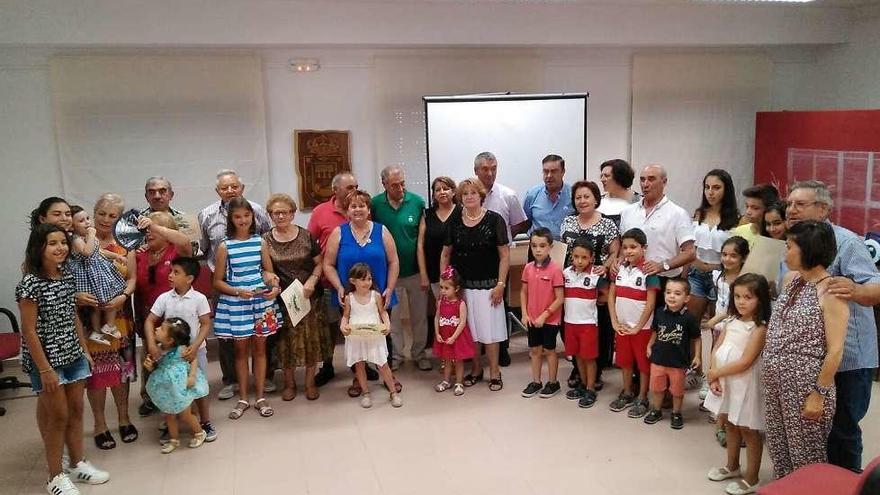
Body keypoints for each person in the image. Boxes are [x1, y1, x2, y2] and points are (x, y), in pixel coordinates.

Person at [784, 180, 879, 473]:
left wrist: (855, 289)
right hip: (806, 359)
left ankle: (847, 484)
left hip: (847, 357)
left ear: (823, 208)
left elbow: (876, 287)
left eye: (800, 204)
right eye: (789, 204)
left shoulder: (847, 243)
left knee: (842, 430)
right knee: (810, 427)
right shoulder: (792, 243)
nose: (791, 210)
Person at [17, 224, 110, 495]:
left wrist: (83, 350)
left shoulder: (66, 275)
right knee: (57, 417)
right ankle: (55, 476)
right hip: (48, 362)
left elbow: (72, 317)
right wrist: (44, 369)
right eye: (52, 243)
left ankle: (77, 463)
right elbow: (29, 331)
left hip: (73, 355)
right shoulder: (30, 283)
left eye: (63, 242)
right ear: (39, 248)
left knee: (77, 412)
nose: (60, 248)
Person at [763, 220, 849, 479]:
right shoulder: (792, 280)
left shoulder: (831, 290)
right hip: (776, 381)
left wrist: (818, 394)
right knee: (779, 448)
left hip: (805, 385)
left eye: (789, 246)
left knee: (806, 456)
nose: (785, 252)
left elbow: (835, 350)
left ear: (808, 249)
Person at [198, 169, 273, 401]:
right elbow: (203, 247)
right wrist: (237, 290)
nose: (230, 190)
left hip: (259, 294)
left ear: (241, 187)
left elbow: (267, 253)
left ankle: (263, 383)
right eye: (224, 187)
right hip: (231, 292)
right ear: (217, 190)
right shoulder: (208, 216)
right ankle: (233, 383)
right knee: (231, 343)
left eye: (234, 186)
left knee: (262, 344)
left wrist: (272, 281)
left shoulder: (258, 213)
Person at [323, 189, 401, 398]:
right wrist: (339, 286)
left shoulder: (381, 231)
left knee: (383, 335)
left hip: (379, 296)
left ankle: (388, 375)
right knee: (355, 338)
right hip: (350, 299)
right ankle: (359, 378)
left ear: (368, 210)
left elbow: (394, 261)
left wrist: (390, 287)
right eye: (352, 206)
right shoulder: (339, 233)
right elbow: (328, 264)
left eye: (361, 206)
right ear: (347, 211)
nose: (357, 209)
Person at [212, 197, 282, 420]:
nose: (242, 220)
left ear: (252, 216)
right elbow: (217, 281)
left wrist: (274, 285)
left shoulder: (259, 242)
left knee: (261, 350)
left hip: (260, 302)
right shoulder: (225, 246)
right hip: (237, 304)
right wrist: (237, 291)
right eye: (237, 217)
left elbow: (268, 273)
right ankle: (243, 397)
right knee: (240, 352)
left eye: (246, 215)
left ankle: (260, 396)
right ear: (231, 219)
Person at [80, 194, 139, 450]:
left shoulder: (127, 242)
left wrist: (124, 296)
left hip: (121, 317)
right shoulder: (82, 242)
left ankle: (124, 418)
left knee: (121, 373)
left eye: (112, 215)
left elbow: (133, 278)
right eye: (101, 213)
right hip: (91, 319)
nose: (106, 219)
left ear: (119, 218)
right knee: (97, 374)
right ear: (94, 214)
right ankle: (100, 424)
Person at [440, 178, 510, 392]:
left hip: (489, 286)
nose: (469, 196)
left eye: (473, 193)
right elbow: (445, 254)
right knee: (471, 331)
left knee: (490, 332)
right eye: (465, 194)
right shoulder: (454, 222)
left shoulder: (494, 220)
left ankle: (495, 372)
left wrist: (501, 284)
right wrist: (445, 283)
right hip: (462, 289)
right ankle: (477, 370)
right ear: (460, 198)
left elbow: (505, 256)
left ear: (481, 196)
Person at [704, 274, 771, 495]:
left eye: (748, 297)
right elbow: (717, 347)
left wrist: (717, 372)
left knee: (748, 429)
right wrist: (714, 375)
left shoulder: (759, 327)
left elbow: (745, 361)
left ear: (760, 299)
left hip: (745, 384)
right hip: (726, 381)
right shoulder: (731, 321)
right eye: (738, 296)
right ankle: (732, 466)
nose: (741, 302)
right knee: (730, 423)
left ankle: (751, 477)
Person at [142, 256, 216, 442]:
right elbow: (150, 321)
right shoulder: (164, 298)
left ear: (189, 278)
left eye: (176, 272)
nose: (170, 276)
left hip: (195, 351)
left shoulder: (199, 298)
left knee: (198, 386)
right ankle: (171, 422)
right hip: (170, 354)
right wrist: (152, 344)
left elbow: (206, 323)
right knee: (171, 387)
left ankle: (205, 421)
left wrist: (196, 345)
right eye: (171, 271)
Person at [263, 194, 328, 401]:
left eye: (285, 212)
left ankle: (309, 383)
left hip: (308, 297)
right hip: (282, 301)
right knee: (285, 344)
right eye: (276, 213)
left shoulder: (307, 236)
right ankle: (289, 384)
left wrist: (312, 280)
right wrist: (270, 279)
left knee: (311, 342)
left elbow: (319, 262)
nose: (281, 216)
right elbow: (264, 269)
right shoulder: (265, 240)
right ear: (270, 215)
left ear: (292, 213)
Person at [558, 180, 620, 389]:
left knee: (597, 327)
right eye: (578, 197)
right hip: (571, 280)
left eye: (586, 196)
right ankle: (577, 366)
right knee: (570, 325)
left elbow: (614, 252)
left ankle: (597, 370)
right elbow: (562, 251)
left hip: (596, 280)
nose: (582, 201)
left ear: (596, 198)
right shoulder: (567, 222)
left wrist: (605, 267)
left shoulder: (608, 224)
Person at [133, 211, 194, 417]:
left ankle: (180, 402)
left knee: (175, 362)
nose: (149, 233)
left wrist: (154, 225)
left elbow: (186, 241)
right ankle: (150, 398)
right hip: (149, 317)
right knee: (150, 358)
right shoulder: (139, 254)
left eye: (153, 230)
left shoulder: (176, 252)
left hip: (174, 321)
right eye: (147, 230)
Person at [371, 166, 431, 371]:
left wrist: (424, 273)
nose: (400, 188)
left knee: (419, 316)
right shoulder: (375, 205)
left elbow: (422, 239)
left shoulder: (417, 202)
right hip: (389, 274)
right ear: (385, 185)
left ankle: (419, 353)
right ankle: (396, 355)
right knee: (393, 318)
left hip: (415, 271)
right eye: (395, 185)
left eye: (402, 183)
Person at [307, 171, 360, 387]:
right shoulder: (320, 212)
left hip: (357, 284)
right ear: (335, 190)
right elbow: (310, 244)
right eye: (349, 187)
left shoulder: (361, 208)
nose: (354, 191)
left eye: (356, 186)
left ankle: (360, 367)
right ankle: (327, 366)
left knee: (356, 326)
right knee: (329, 327)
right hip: (330, 283)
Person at [474, 152, 526, 367]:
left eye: (494, 168)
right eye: (485, 169)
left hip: (499, 259)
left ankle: (502, 347)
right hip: (474, 259)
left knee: (499, 303)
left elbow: (520, 223)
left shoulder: (508, 195)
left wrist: (502, 238)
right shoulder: (467, 193)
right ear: (476, 170)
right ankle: (477, 349)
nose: (490, 173)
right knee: (475, 304)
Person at [608, 228, 660, 418]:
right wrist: (614, 322)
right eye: (625, 247)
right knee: (625, 362)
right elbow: (611, 296)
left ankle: (642, 396)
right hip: (622, 327)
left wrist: (638, 326)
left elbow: (651, 303)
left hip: (642, 329)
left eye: (633, 247)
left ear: (644, 248)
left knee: (643, 365)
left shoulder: (649, 271)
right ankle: (627, 391)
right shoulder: (618, 269)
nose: (628, 251)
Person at [340, 263, 403, 408]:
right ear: (352, 281)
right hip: (357, 336)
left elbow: (382, 312)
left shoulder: (375, 296)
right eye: (362, 279)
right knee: (360, 365)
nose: (367, 282)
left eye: (369, 279)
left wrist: (387, 324)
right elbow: (345, 316)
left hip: (374, 335)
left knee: (383, 364)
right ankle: (366, 392)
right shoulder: (350, 298)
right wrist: (343, 326)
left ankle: (393, 392)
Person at [619, 164, 696, 284]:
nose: (645, 184)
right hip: (631, 277)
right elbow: (623, 246)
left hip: (664, 278)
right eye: (642, 179)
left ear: (664, 182)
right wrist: (619, 261)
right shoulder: (627, 212)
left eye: (651, 179)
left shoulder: (678, 214)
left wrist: (663, 266)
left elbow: (690, 253)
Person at [143, 317, 209, 454]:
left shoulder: (181, 350)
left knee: (185, 414)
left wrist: (192, 376)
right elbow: (155, 367)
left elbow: (193, 360)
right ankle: (174, 439)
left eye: (161, 328)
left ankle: (199, 432)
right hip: (167, 387)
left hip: (181, 386)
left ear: (170, 340)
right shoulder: (158, 350)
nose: (156, 329)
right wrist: (150, 367)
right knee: (169, 414)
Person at [644, 278, 701, 430]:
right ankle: (656, 410)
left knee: (677, 391)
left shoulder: (689, 318)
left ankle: (676, 413)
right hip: (658, 359)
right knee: (657, 388)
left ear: (687, 298)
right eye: (668, 292)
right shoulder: (659, 312)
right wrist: (649, 345)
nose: (671, 296)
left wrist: (697, 356)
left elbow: (697, 338)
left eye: (677, 293)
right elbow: (655, 331)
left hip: (678, 363)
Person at [701, 236, 750, 411]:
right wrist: (713, 319)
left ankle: (729, 394)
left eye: (733, 256)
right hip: (720, 325)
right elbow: (718, 300)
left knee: (731, 357)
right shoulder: (717, 275)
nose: (727, 259)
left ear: (743, 258)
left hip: (736, 325)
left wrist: (715, 319)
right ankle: (712, 384)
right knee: (716, 352)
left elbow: (734, 308)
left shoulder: (746, 280)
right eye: (724, 254)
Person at [687, 169, 739, 333]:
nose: (710, 192)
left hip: (721, 276)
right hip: (696, 273)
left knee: (717, 327)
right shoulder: (699, 213)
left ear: (726, 190)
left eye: (716, 187)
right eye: (707, 187)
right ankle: (693, 359)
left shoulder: (736, 219)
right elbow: (690, 247)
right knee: (692, 325)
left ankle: (713, 358)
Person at [68, 205, 127, 346]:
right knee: (96, 303)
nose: (87, 223)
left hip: (99, 273)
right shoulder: (76, 239)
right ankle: (99, 329)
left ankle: (105, 327)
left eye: (87, 218)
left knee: (109, 298)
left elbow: (99, 251)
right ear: (72, 226)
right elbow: (87, 252)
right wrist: (92, 235)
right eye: (81, 221)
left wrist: (116, 256)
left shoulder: (87, 237)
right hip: (89, 276)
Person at [519, 228, 565, 399]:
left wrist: (545, 315)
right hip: (532, 319)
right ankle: (536, 381)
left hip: (550, 320)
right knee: (535, 350)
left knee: (550, 350)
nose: (538, 250)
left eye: (542, 246)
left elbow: (560, 298)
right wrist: (524, 313)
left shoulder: (555, 270)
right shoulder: (528, 268)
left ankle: (553, 383)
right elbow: (523, 292)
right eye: (534, 246)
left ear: (550, 247)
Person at [562, 238, 607, 408]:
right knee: (577, 356)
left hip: (588, 324)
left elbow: (606, 293)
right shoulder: (566, 273)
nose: (580, 261)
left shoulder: (595, 275)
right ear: (571, 256)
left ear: (591, 258)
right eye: (576, 257)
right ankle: (582, 383)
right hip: (570, 322)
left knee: (589, 358)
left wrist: (597, 302)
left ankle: (590, 388)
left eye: (584, 257)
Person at [431, 266, 474, 396]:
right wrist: (437, 333)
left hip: (457, 337)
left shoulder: (460, 304)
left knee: (459, 361)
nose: (443, 291)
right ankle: (446, 381)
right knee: (446, 359)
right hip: (444, 336)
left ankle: (459, 382)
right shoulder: (440, 302)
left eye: (446, 288)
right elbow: (437, 317)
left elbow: (462, 322)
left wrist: (454, 337)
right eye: (441, 287)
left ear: (456, 288)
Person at [418, 176, 460, 298]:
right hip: (435, 273)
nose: (442, 192)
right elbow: (420, 246)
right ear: (434, 195)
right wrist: (423, 275)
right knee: (444, 310)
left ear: (453, 192)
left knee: (462, 310)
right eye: (438, 190)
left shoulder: (462, 212)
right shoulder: (427, 215)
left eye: (445, 188)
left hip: (459, 273)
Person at [521, 154, 574, 238]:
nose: (549, 175)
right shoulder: (532, 194)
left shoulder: (573, 195)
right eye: (546, 171)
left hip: (564, 248)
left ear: (563, 172)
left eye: (554, 171)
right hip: (538, 248)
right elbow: (525, 223)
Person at [598, 158, 640, 227]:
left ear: (620, 177)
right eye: (601, 176)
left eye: (606, 176)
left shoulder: (639, 201)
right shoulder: (597, 201)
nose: (602, 180)